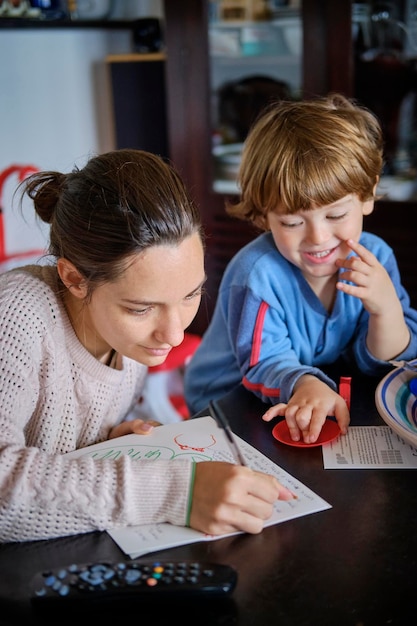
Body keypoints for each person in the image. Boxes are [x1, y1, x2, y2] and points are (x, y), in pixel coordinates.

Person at [0, 149, 295, 543]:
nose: (173, 336)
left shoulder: (130, 340)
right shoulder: (16, 314)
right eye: (141, 309)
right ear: (73, 278)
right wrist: (176, 492)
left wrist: (104, 442)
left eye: (191, 295)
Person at [184, 94, 417, 444]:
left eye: (336, 215)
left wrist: (386, 311)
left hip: (312, 395)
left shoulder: (377, 258)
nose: (318, 237)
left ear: (367, 196)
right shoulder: (257, 275)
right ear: (264, 216)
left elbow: (385, 363)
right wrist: (306, 384)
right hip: (228, 405)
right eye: (292, 222)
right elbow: (264, 364)